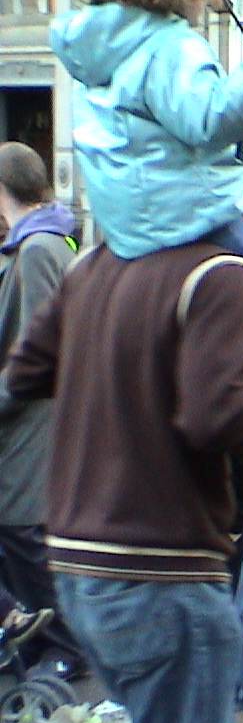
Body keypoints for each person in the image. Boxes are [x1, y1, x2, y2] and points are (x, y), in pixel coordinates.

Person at [1, 215, 243, 723]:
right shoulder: (221, 274)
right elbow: (212, 415)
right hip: (164, 569)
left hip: (81, 567)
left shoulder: (92, 266)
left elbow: (26, 372)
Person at [50, 0, 243, 377]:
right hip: (180, 206)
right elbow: (206, 120)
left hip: (126, 220)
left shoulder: (101, 45)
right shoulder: (170, 45)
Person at [0, 141, 86, 680]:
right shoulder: (41, 244)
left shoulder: (37, 251)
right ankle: (39, 639)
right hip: (33, 431)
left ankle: (65, 648)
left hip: (32, 432)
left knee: (28, 542)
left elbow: (39, 356)